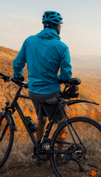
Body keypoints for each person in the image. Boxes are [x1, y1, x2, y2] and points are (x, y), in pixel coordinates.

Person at [13, 11, 72, 165]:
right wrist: (57, 79)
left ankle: (40, 153)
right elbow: (66, 75)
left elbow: (17, 63)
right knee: (61, 122)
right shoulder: (61, 47)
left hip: (33, 92)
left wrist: (18, 76)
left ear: (44, 25)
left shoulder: (29, 41)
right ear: (57, 27)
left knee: (41, 120)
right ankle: (58, 154)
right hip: (51, 93)